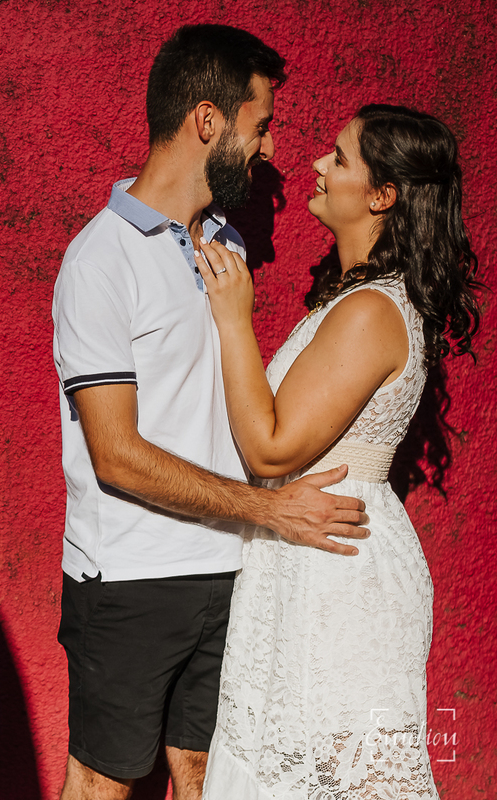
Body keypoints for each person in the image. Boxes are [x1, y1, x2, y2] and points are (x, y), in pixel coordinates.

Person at [52, 25, 370, 800]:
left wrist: (255, 523)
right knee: (103, 784)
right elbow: (116, 454)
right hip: (129, 578)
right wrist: (270, 510)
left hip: (229, 571)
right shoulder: (100, 261)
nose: (268, 152)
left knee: (208, 778)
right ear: (207, 120)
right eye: (259, 126)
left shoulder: (223, 243)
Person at [198, 105, 482, 798]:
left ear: (382, 195)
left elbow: (269, 450)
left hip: (336, 573)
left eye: (340, 157)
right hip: (311, 557)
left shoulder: (371, 311)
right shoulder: (358, 300)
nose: (319, 167)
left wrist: (234, 318)